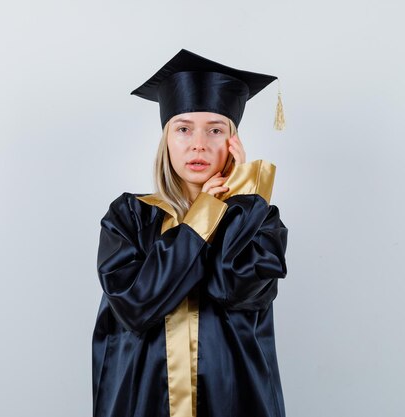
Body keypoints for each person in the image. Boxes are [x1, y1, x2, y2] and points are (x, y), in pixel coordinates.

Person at [92, 48, 289, 417]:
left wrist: (242, 199)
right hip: (143, 403)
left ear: (234, 142)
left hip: (234, 402)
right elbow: (136, 306)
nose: (199, 143)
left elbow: (231, 288)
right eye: (183, 129)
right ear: (166, 138)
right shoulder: (129, 216)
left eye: (216, 130)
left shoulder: (259, 221)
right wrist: (203, 215)